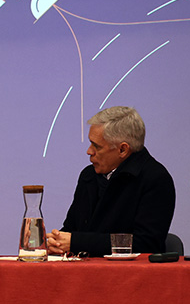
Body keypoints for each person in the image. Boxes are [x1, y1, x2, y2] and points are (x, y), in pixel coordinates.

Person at [46, 105, 175, 257]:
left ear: (123, 150)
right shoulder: (88, 176)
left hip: (131, 276)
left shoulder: (155, 179)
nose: (89, 151)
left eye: (96, 146)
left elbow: (146, 243)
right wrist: (56, 242)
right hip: (84, 273)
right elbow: (72, 229)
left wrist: (77, 242)